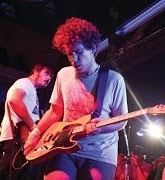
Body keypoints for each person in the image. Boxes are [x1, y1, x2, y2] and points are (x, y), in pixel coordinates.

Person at [23, 17, 128, 179]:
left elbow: (122, 120)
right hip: (64, 146)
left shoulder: (114, 80)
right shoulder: (63, 74)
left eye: (78, 52)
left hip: (100, 152)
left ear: (93, 48)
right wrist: (36, 132)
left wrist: (100, 128)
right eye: (69, 54)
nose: (74, 59)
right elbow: (55, 110)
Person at [0, 64, 54, 180]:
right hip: (17, 140)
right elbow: (14, 100)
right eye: (47, 73)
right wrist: (33, 128)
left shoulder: (32, 90)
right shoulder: (25, 83)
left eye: (51, 77)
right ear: (36, 71)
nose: (49, 79)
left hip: (22, 141)